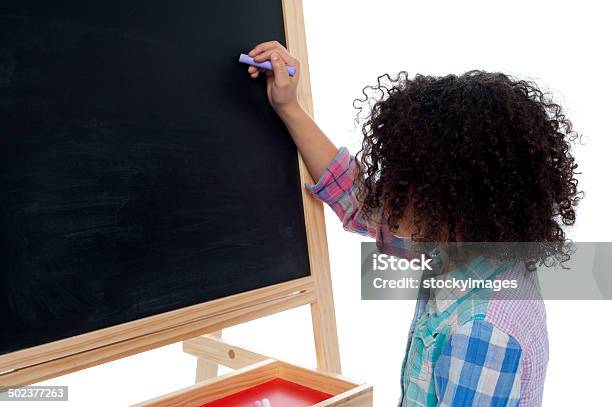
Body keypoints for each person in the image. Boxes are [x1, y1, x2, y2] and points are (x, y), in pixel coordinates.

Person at [245, 41, 581, 407]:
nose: (388, 188)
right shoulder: (466, 249)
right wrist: (289, 106)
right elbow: (357, 202)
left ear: (452, 197)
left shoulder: (482, 332)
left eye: (405, 178)